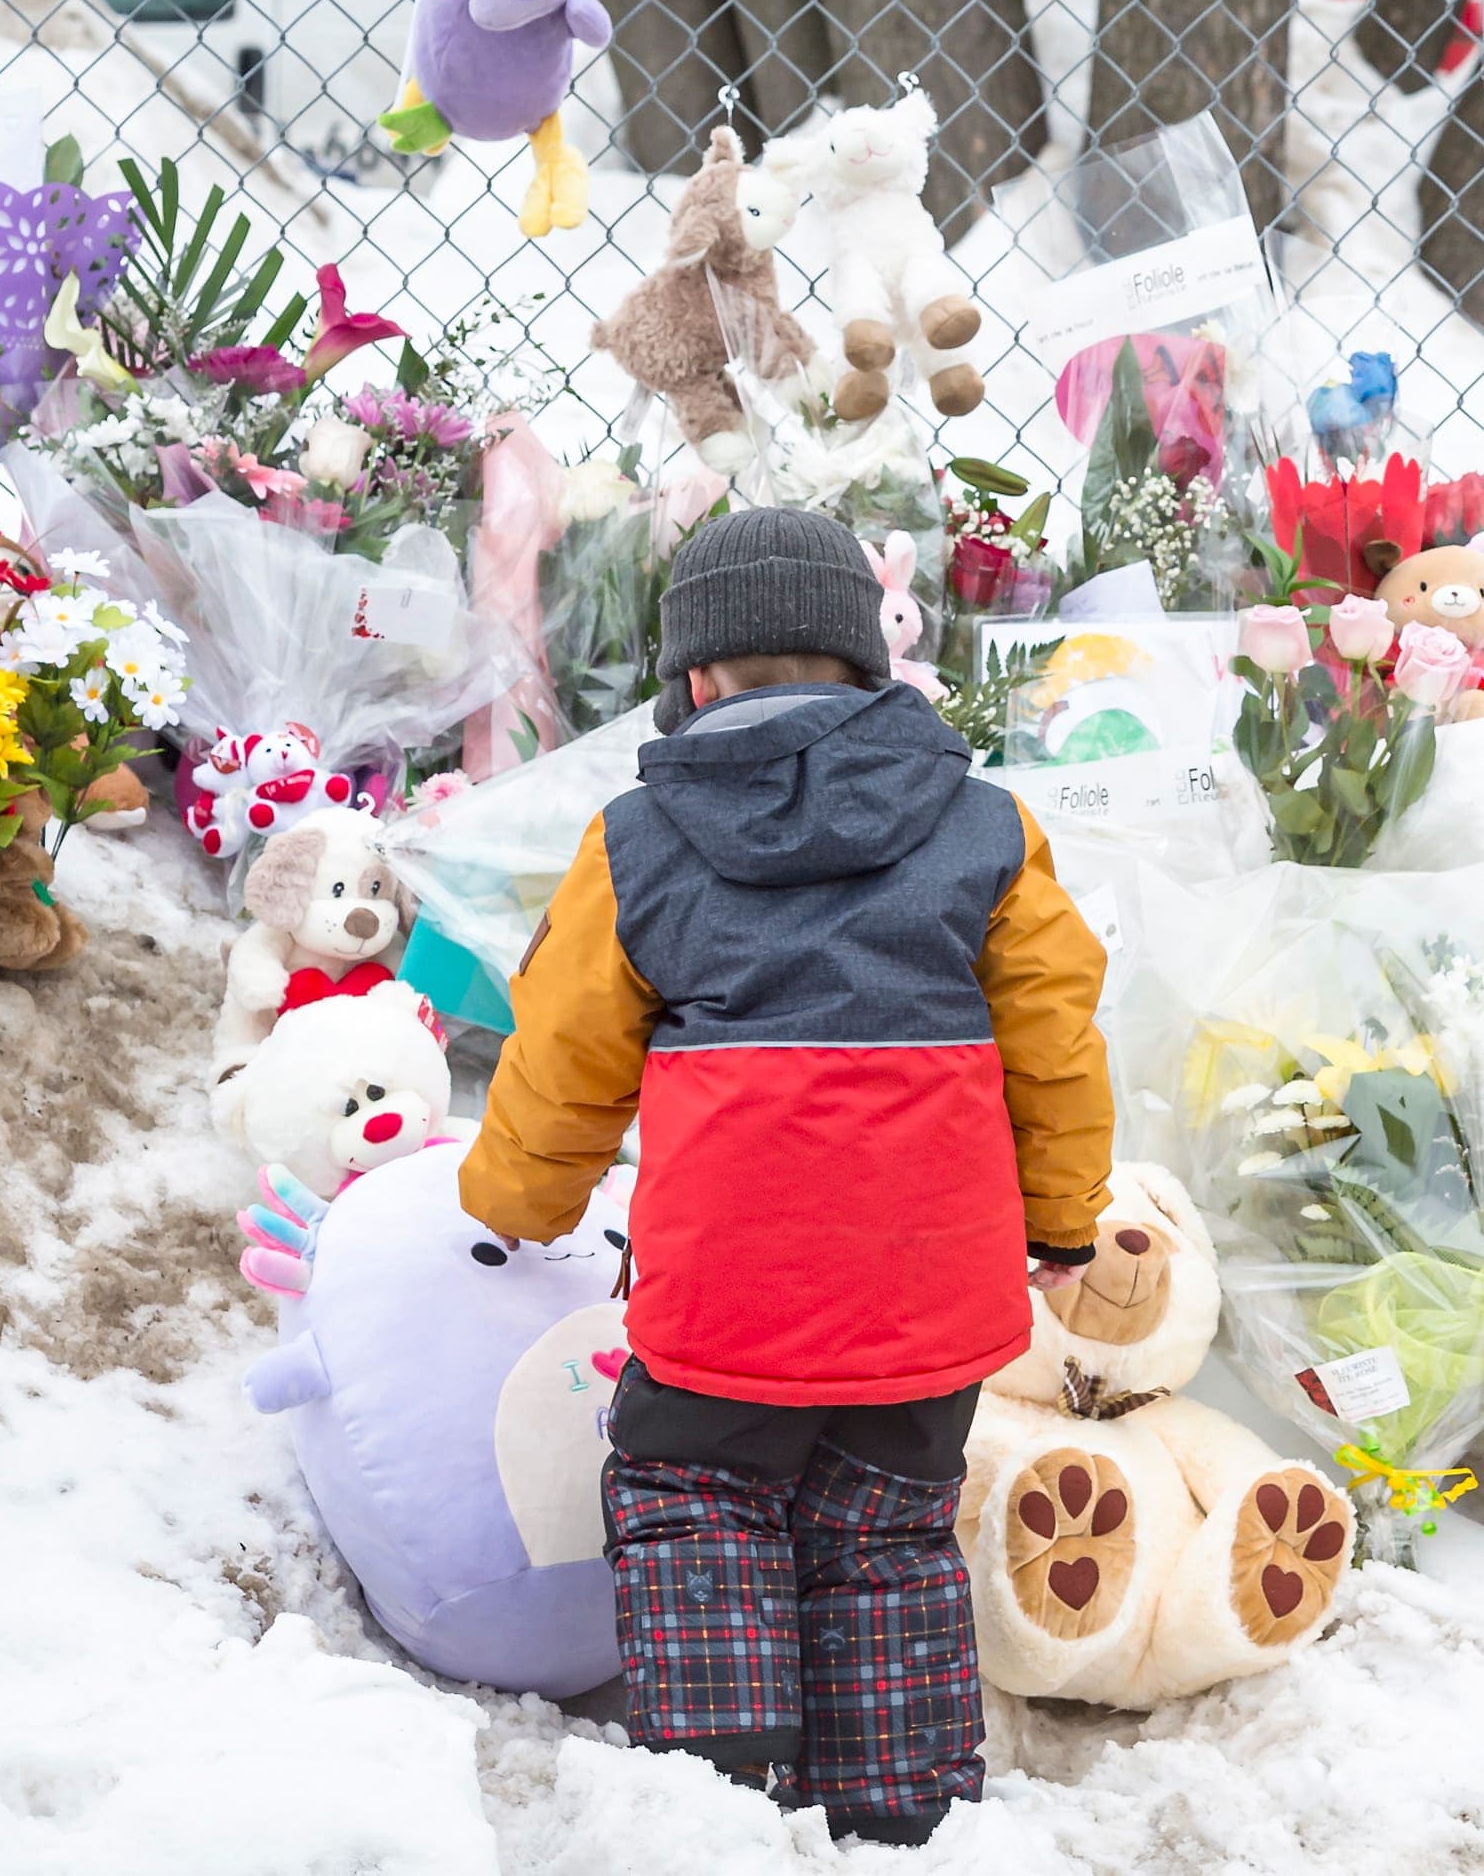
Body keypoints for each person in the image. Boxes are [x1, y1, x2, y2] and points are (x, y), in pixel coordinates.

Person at [460, 508, 1111, 1846]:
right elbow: (1055, 1041)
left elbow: (566, 1051)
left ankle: (720, 1803)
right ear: (868, 662)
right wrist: (1060, 1215)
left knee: (698, 1504)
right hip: (928, 1304)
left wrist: (517, 1200)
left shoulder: (638, 842)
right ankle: (903, 1809)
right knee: (884, 1529)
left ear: (695, 679)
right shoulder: (985, 829)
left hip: (727, 1305)